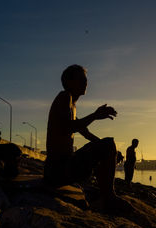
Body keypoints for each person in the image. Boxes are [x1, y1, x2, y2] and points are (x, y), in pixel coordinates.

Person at [44, 64, 122, 207]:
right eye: (81, 79)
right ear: (68, 82)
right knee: (108, 144)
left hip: (62, 168)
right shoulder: (64, 97)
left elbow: (85, 132)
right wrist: (95, 115)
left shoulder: (71, 105)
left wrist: (112, 152)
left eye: (85, 79)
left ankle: (105, 195)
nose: (85, 82)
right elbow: (68, 127)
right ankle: (108, 197)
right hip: (58, 170)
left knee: (108, 146)